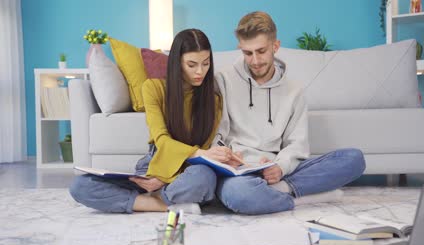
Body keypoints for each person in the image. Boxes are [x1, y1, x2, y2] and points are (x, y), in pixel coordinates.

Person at [214, 11, 366, 215]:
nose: (255, 60)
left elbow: (297, 144)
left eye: (261, 51)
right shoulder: (223, 80)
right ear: (240, 48)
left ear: (275, 46)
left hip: (277, 170)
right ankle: (300, 197)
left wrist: (280, 167)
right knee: (238, 194)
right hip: (239, 172)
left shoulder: (294, 91)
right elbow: (215, 136)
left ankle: (279, 190)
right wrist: (228, 157)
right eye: (247, 53)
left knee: (354, 159)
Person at [69, 29, 234, 213]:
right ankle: (163, 204)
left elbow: (202, 154)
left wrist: (165, 179)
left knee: (204, 177)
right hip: (155, 162)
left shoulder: (214, 100)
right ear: (177, 63)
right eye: (192, 64)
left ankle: (150, 198)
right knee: (80, 186)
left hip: (189, 168)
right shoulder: (153, 88)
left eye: (205, 64)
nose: (200, 71)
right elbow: (161, 139)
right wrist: (160, 176)